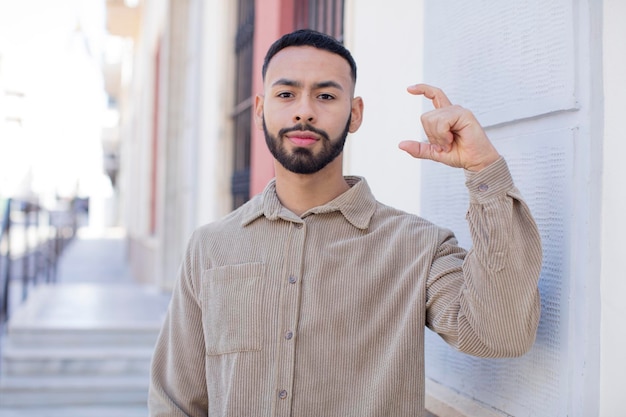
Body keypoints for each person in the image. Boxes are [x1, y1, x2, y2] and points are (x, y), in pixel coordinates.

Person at [148, 29, 542, 417]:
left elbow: (499, 334)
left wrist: (482, 168)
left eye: (325, 95)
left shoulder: (417, 246)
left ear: (354, 114)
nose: (304, 110)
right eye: (286, 94)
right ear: (260, 109)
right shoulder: (211, 246)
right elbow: (175, 401)